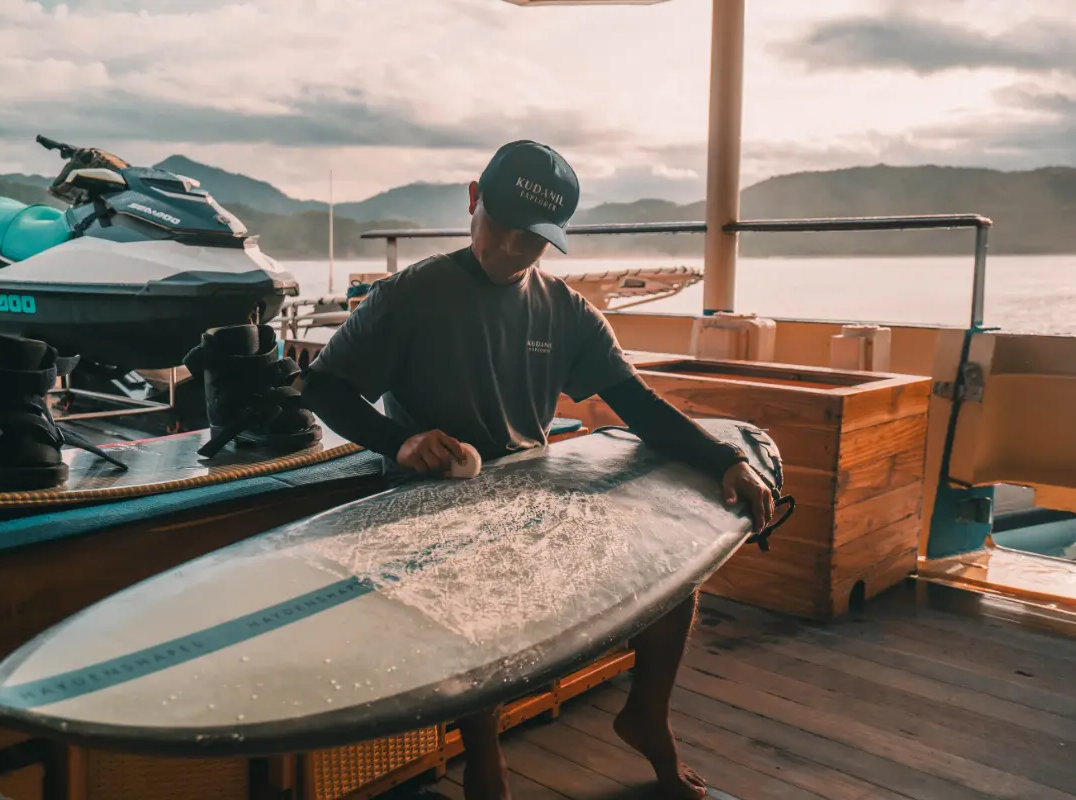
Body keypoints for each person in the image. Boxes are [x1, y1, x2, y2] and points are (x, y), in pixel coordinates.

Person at [300, 140, 775, 800]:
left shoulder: (566, 311)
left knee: (672, 566)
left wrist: (727, 461)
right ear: (473, 200)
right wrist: (400, 440)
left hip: (529, 501)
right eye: (502, 226)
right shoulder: (408, 298)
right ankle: (483, 758)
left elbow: (637, 405)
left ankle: (647, 717)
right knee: (474, 592)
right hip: (429, 511)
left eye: (533, 238)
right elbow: (322, 388)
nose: (513, 249)